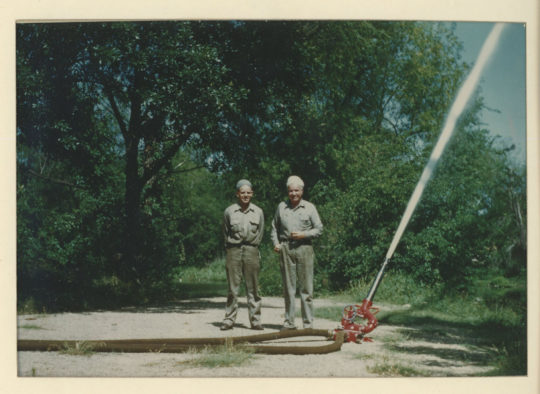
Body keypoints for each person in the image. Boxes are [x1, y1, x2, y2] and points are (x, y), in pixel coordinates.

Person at [271, 175, 323, 330]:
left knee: (306, 288)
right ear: (288, 191)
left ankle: (308, 324)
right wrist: (276, 243)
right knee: (288, 288)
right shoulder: (281, 207)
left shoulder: (309, 207)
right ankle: (289, 322)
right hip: (286, 249)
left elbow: (319, 229)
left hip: (304, 248)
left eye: (296, 190)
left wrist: (303, 234)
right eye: (290, 191)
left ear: (302, 191)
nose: (293, 193)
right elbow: (274, 227)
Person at [220, 179, 264, 331]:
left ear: (252, 194)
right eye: (242, 193)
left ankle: (256, 320)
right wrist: (231, 247)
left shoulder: (258, 212)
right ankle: (229, 319)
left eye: (248, 193)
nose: (245, 195)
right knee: (233, 288)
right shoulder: (229, 211)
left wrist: (253, 247)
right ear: (237, 194)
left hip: (252, 250)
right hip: (233, 250)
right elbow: (225, 232)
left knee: (253, 288)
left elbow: (261, 232)